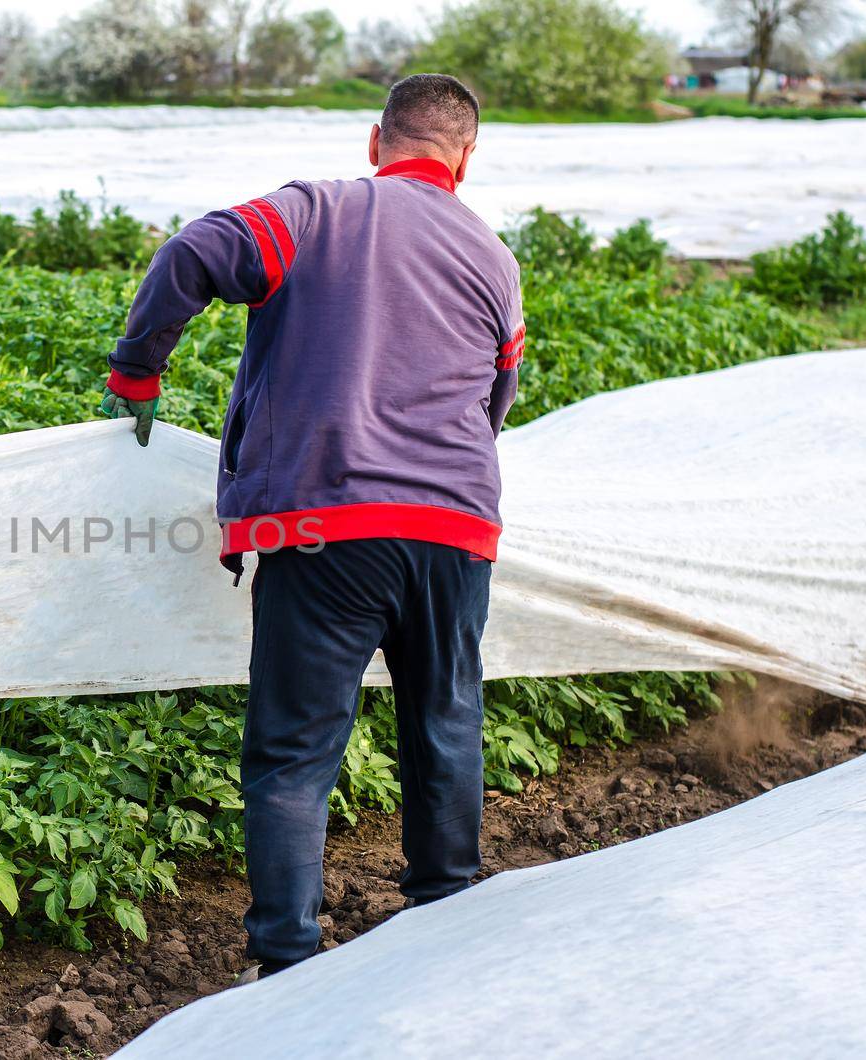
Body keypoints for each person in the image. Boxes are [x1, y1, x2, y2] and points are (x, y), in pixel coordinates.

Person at [98, 73, 524, 979]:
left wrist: (138, 373)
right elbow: (498, 396)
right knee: (446, 721)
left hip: (324, 524)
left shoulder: (312, 213)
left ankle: (285, 961)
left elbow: (190, 256)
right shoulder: (495, 258)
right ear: (467, 157)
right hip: (454, 527)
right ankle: (446, 923)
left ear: (377, 142)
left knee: (295, 749)